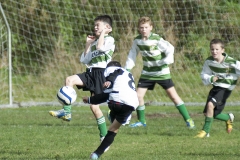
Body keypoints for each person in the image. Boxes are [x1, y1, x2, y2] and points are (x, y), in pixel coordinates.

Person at [49, 15, 115, 142]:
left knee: (94, 108)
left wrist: (102, 34)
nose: (95, 27)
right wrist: (88, 44)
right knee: (69, 80)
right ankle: (67, 112)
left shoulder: (110, 40)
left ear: (107, 28)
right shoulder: (95, 41)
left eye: (98, 25)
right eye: (95, 25)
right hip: (90, 73)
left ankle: (104, 136)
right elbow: (84, 60)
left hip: (101, 74)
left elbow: (101, 48)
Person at [125, 16, 195, 129]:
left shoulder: (156, 39)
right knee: (138, 96)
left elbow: (170, 49)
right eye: (141, 27)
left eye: (146, 27)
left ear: (151, 27)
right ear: (138, 28)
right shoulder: (137, 40)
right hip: (147, 73)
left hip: (161, 72)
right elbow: (132, 54)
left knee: (173, 96)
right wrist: (127, 68)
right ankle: (142, 121)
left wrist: (166, 61)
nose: (144, 29)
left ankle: (189, 120)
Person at [82, 61, 139, 160]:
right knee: (113, 130)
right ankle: (96, 154)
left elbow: (106, 94)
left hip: (116, 101)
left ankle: (113, 114)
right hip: (131, 104)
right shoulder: (128, 74)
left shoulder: (111, 70)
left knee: (112, 103)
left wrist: (90, 99)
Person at [195, 39, 236, 138]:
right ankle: (228, 118)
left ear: (222, 50)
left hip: (225, 89)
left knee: (210, 105)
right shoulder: (209, 61)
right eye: (212, 49)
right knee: (208, 113)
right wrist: (210, 78)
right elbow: (204, 74)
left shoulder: (230, 62)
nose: (214, 51)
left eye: (217, 49)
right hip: (216, 88)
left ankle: (205, 131)